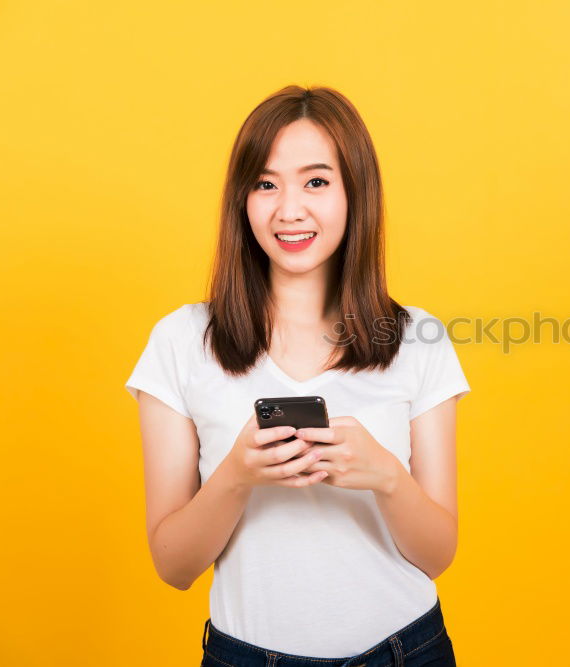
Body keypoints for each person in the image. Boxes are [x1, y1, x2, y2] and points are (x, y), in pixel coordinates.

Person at [125, 86, 468, 667]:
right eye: (265, 183)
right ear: (242, 200)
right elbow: (173, 567)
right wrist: (237, 475)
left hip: (407, 651)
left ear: (355, 194)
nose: (289, 209)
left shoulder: (417, 338)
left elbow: (438, 554)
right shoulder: (181, 341)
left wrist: (385, 475)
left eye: (316, 181)